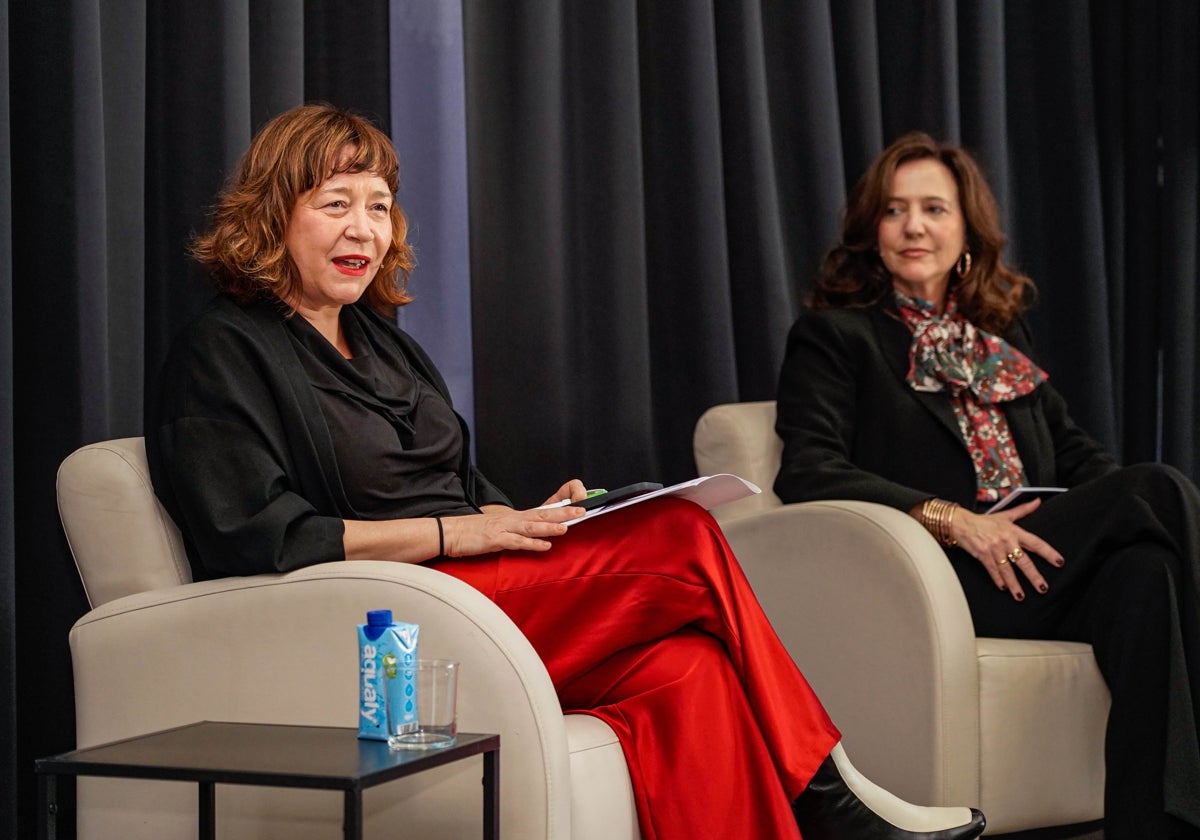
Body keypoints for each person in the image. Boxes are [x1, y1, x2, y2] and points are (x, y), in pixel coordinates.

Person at [147, 104, 987, 840]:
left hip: (479, 588)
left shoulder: (384, 344)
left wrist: (535, 518)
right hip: (387, 631)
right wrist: (457, 532)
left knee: (688, 667)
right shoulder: (222, 351)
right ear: (271, 216)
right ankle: (833, 791)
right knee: (684, 534)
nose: (364, 229)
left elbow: (462, 489)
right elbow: (257, 538)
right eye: (335, 205)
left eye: (378, 206)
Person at [774, 131, 1200, 839]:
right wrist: (955, 519)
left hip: (1037, 566)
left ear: (966, 230)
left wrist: (1100, 507)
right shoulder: (834, 337)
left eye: (934, 209)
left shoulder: (1000, 347)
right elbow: (808, 469)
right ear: (869, 230)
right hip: (942, 578)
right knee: (1156, 489)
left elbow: (1082, 461)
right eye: (894, 210)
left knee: (1145, 571)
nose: (914, 226)